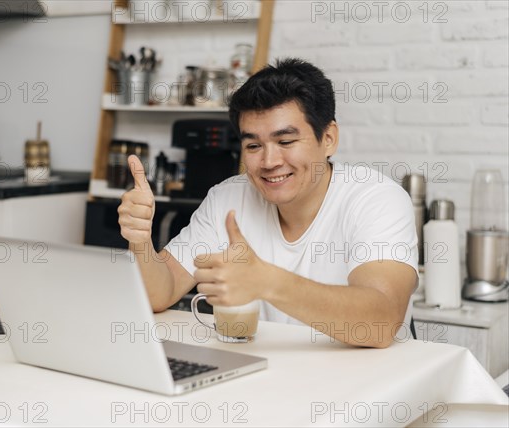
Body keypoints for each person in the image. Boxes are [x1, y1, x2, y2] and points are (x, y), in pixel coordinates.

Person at [117, 58, 418, 348]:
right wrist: (140, 240)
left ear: (328, 138)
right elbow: (160, 293)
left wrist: (268, 282)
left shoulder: (376, 199)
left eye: (285, 142)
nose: (269, 161)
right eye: (253, 146)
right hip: (270, 380)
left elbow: (381, 323)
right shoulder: (227, 198)